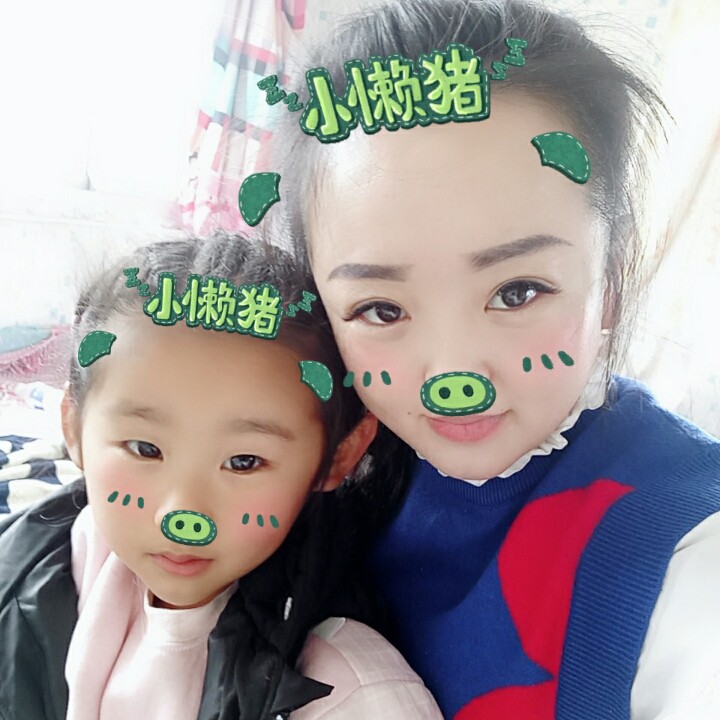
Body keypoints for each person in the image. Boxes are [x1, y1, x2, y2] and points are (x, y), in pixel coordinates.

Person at [262, 0, 720, 717]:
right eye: (381, 309)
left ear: (610, 278)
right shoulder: (306, 464)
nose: (455, 376)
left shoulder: (686, 543)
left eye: (517, 291)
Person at [0, 235, 442, 720]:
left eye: (244, 462)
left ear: (339, 456)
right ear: (73, 427)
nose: (183, 512)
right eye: (145, 449)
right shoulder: (28, 562)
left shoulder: (349, 695)